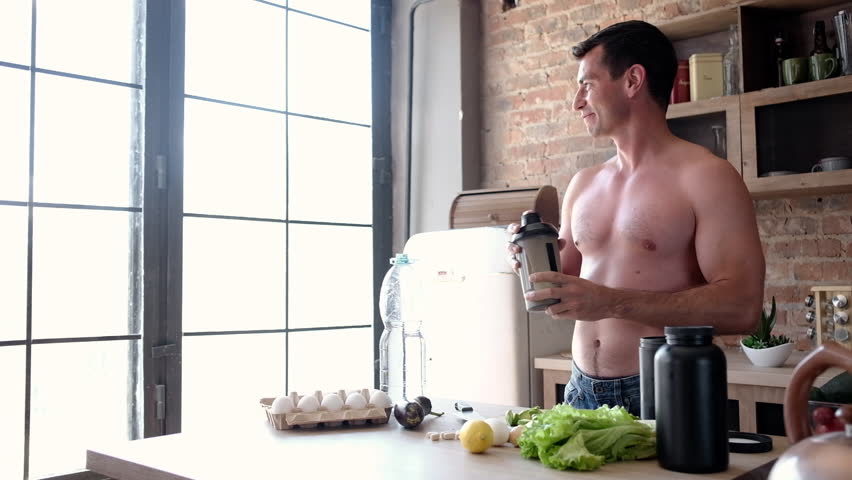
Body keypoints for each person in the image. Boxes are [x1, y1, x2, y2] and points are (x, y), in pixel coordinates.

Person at [506, 20, 765, 416]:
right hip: (580, 389)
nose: (577, 102)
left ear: (632, 81)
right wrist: (529, 256)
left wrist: (611, 302)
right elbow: (565, 289)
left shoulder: (707, 176)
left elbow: (742, 308)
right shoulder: (583, 183)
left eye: (587, 85)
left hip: (666, 389)